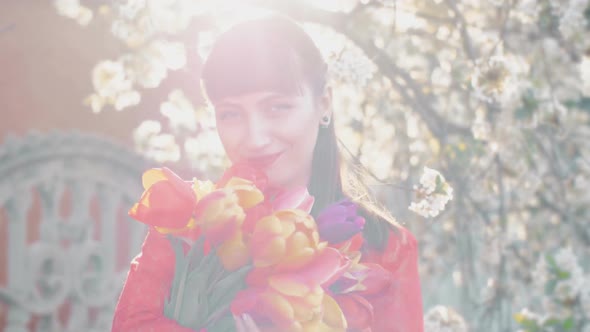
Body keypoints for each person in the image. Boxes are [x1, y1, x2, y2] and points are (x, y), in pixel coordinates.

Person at [112, 14, 423, 332]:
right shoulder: (185, 221)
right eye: (231, 114)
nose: (255, 138)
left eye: (277, 107)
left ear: (324, 103)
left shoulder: (386, 249)